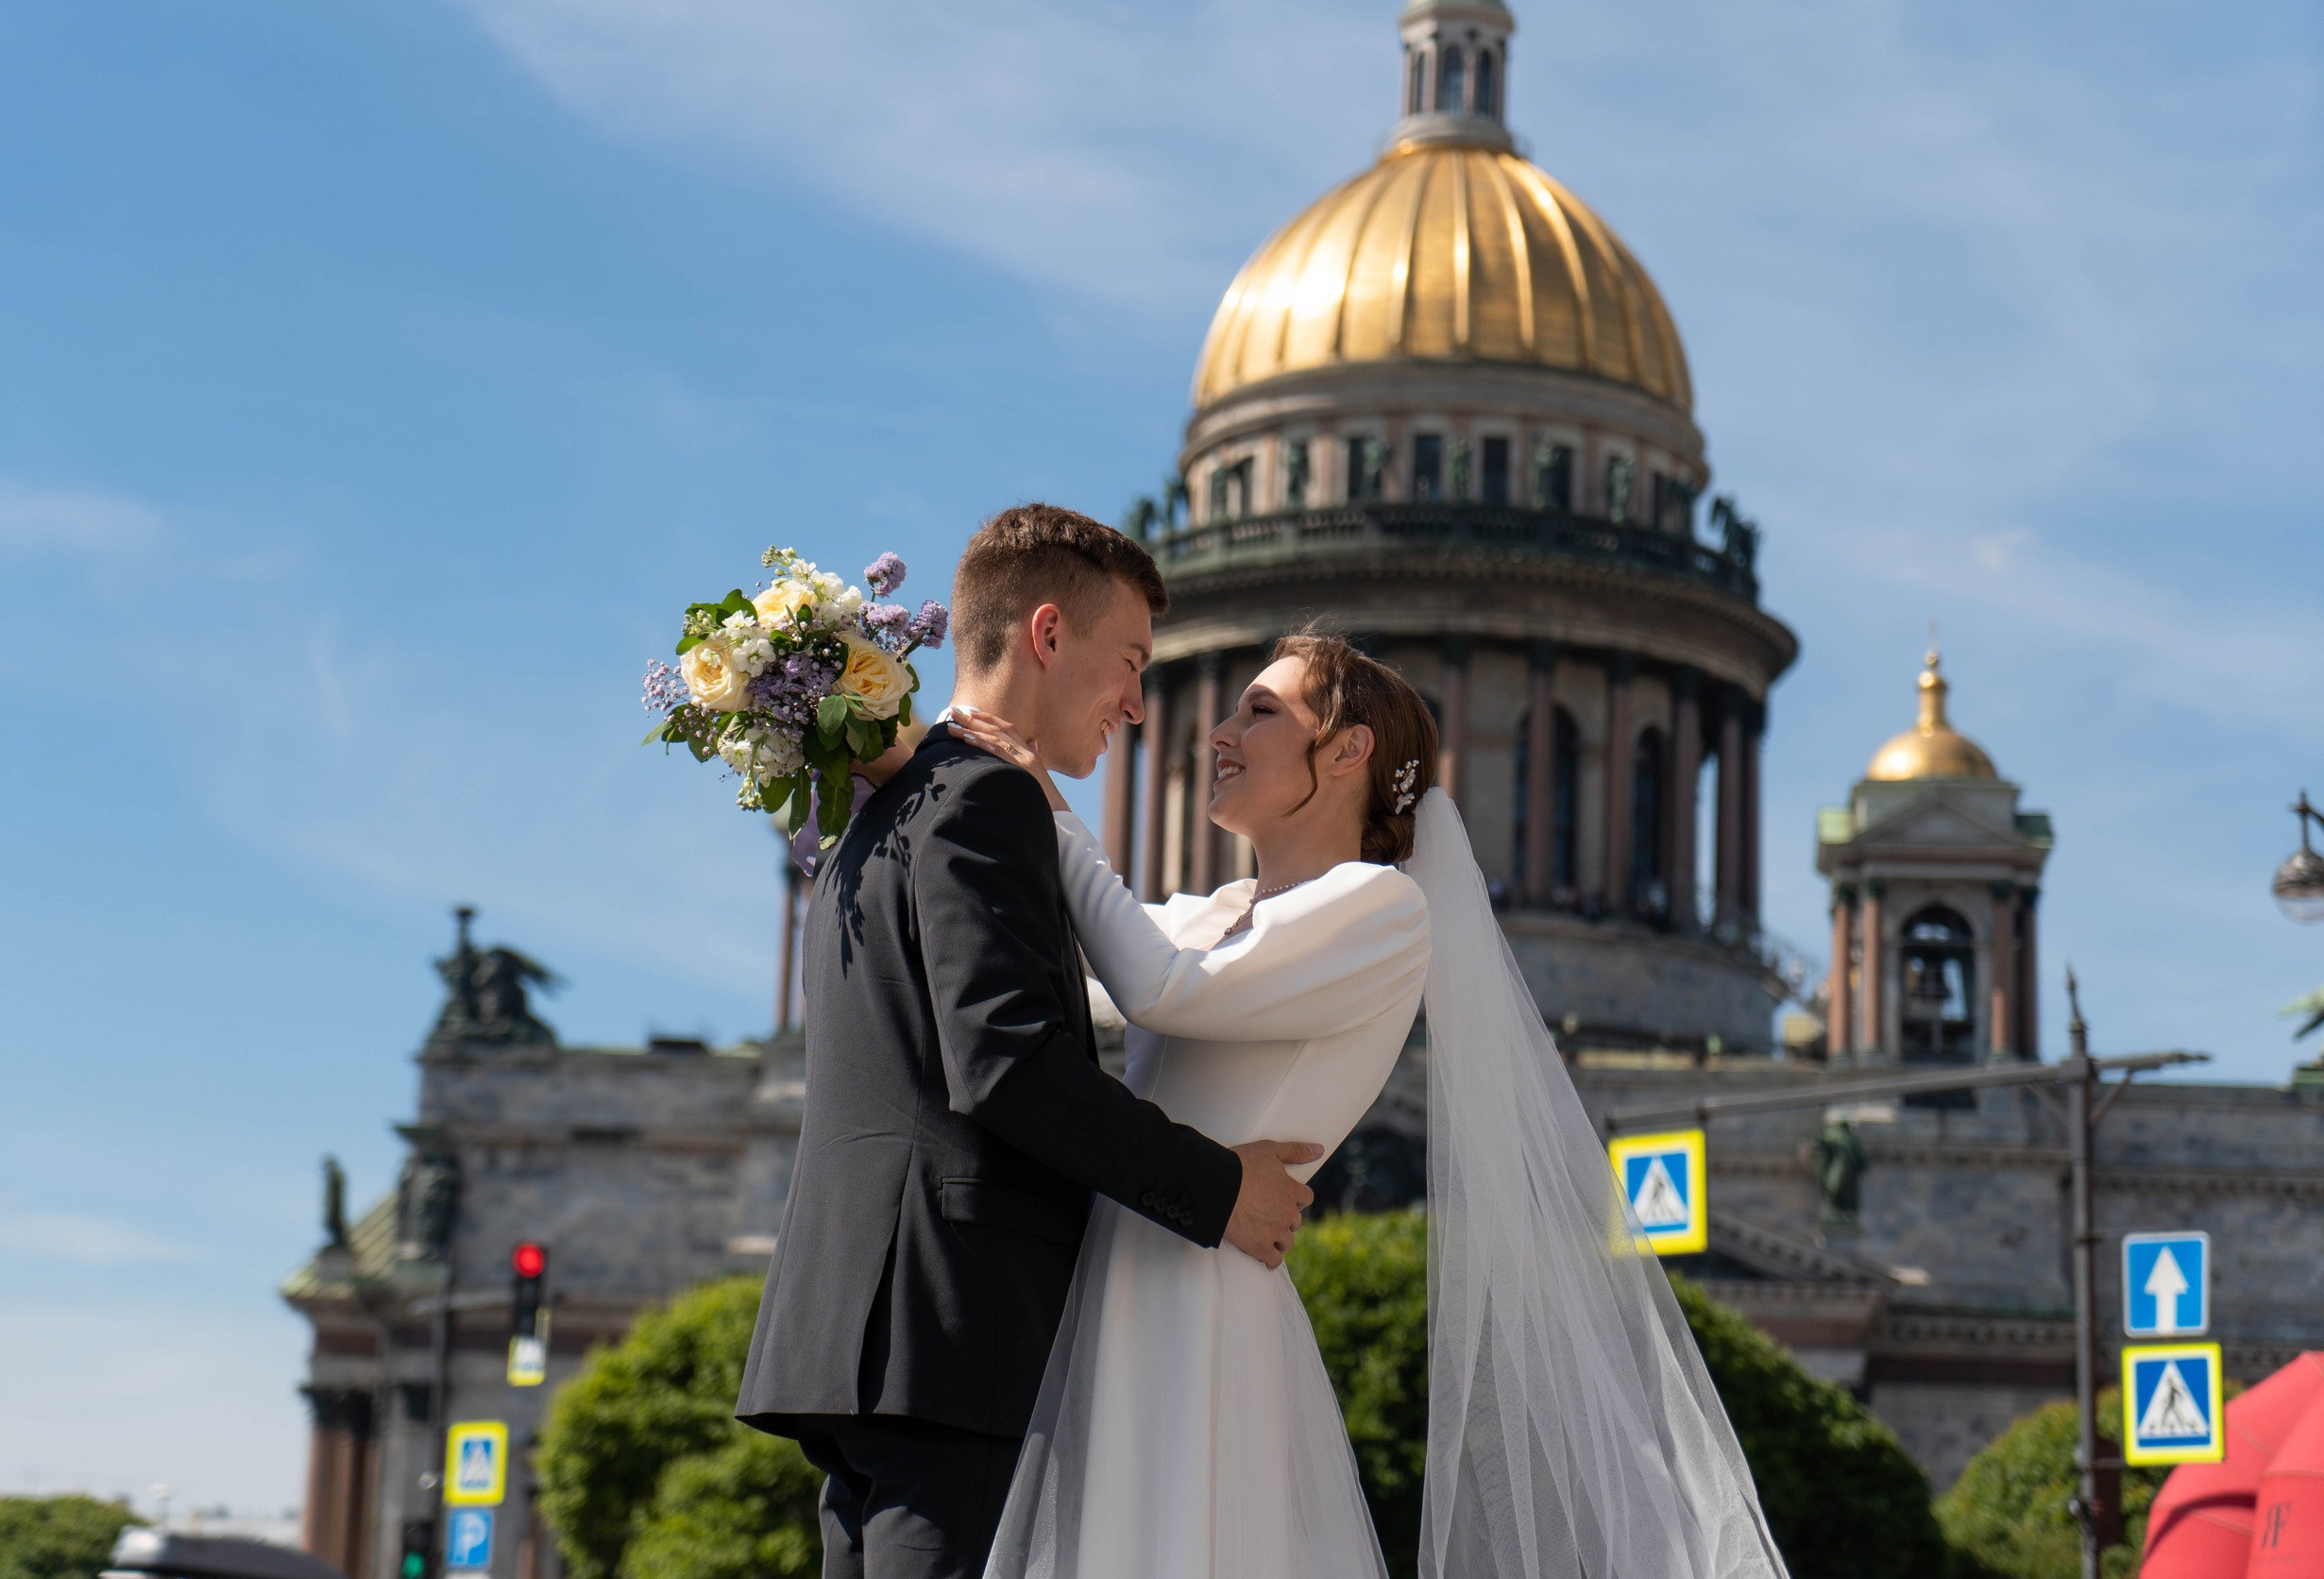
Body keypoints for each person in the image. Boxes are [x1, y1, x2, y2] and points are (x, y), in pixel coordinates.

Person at [948, 634, 1792, 1579]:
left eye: (1259, 713)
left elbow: (1160, 991)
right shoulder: (1213, 910)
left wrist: (1047, 805)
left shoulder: (1379, 909)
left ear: (1348, 751)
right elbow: (1046, 965)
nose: (1215, 737)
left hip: (1197, 1294)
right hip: (1122, 1280)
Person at [734, 504, 1322, 1579]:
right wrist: (1219, 1188)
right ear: (1048, 635)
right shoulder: (982, 800)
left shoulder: (889, 805)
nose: (1140, 705)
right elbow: (1006, 1063)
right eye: (1131, 662)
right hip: (959, 1334)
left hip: (874, 1342)